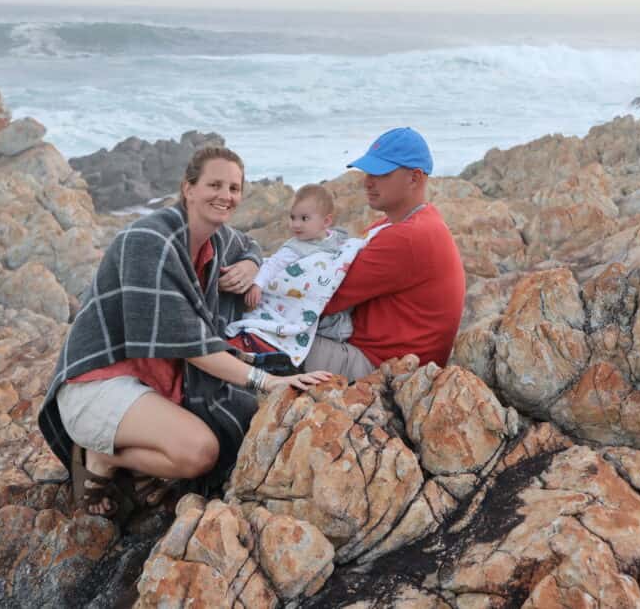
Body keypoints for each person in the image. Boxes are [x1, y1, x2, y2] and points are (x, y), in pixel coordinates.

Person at [38, 146, 331, 517]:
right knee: (200, 452)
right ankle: (99, 455)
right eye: (214, 184)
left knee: (227, 439)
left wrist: (250, 265)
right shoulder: (149, 241)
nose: (226, 196)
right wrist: (265, 381)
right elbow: (190, 344)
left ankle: (133, 462)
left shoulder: (218, 239)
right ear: (188, 189)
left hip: (155, 383)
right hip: (99, 383)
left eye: (234, 188)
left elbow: (249, 245)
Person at [302, 127, 466, 379]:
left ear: (414, 177)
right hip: (377, 353)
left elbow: (320, 297)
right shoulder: (400, 224)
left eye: (381, 173)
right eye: (368, 171)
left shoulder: (409, 237)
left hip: (383, 368)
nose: (368, 181)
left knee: (262, 339)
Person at [243, 183, 354, 342]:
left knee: (344, 327)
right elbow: (273, 264)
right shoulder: (294, 248)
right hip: (301, 304)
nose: (295, 224)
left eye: (304, 218)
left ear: (326, 221)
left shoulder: (338, 238)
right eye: (292, 217)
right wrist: (258, 284)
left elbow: (348, 252)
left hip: (331, 298)